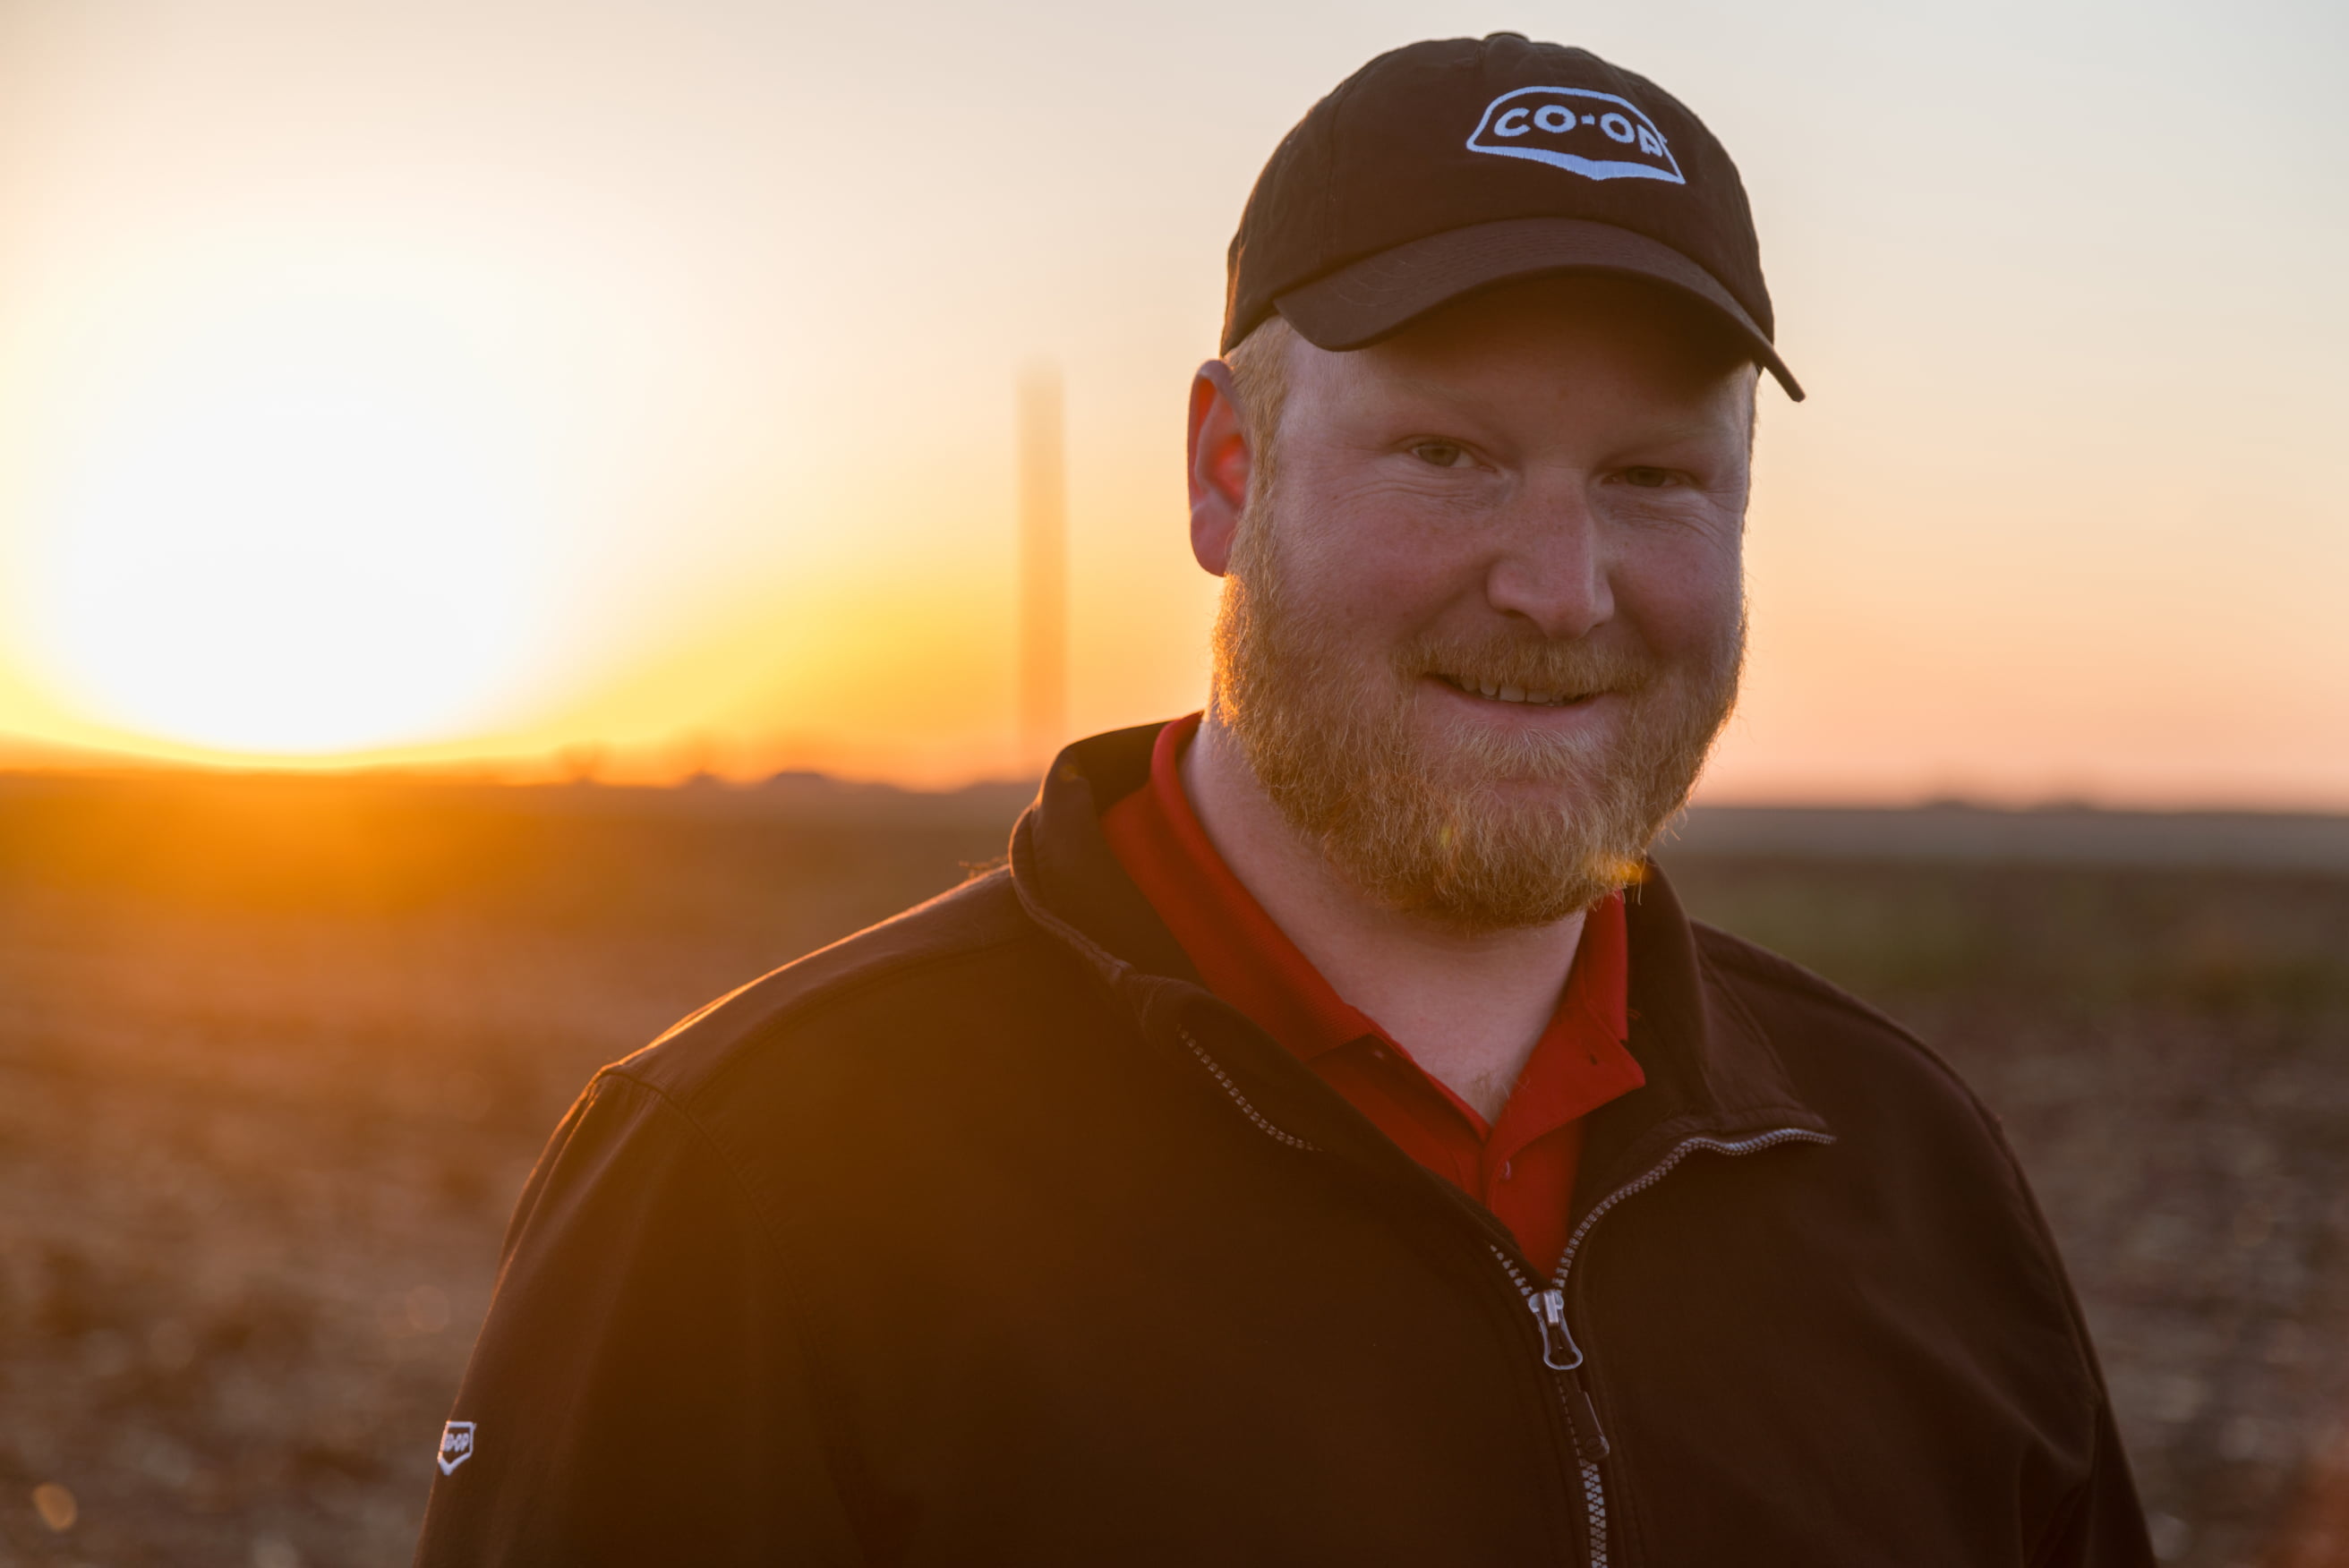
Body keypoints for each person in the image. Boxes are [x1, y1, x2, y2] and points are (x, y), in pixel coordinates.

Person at [414, 34, 2152, 1567]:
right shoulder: (750, 1184)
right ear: (1225, 472)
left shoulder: (1905, 1173)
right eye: (1447, 455)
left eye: (1650, 479)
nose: (1560, 586)